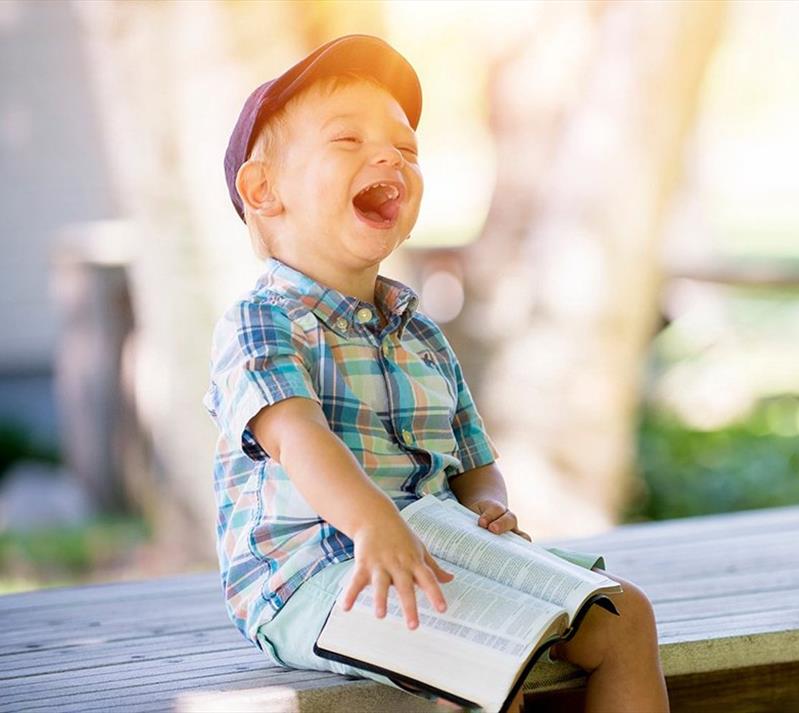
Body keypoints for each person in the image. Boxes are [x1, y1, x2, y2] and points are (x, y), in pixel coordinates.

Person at [203, 34, 669, 713]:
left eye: (406, 148)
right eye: (347, 140)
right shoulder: (262, 322)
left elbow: (473, 456)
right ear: (264, 189)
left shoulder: (418, 329)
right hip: (313, 577)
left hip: (437, 549)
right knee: (479, 655)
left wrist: (487, 502)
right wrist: (373, 523)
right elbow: (298, 438)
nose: (389, 154)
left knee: (626, 616)